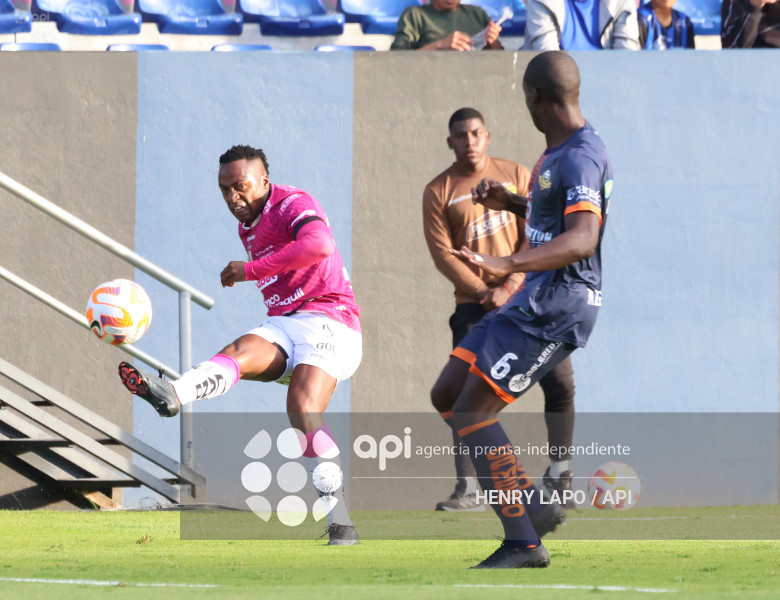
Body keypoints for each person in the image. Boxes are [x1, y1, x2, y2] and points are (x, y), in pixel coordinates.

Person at [118, 145, 362, 546]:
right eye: (224, 189)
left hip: (333, 321)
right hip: (286, 324)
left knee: (301, 408)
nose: (233, 197)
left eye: (240, 186)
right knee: (238, 352)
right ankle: (172, 394)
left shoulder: (292, 203)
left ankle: (341, 519)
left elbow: (320, 246)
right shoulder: (246, 225)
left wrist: (249, 270)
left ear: (265, 181)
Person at [430, 50, 613, 569]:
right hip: (531, 299)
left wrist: (505, 258)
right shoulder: (556, 152)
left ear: (537, 98)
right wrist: (511, 203)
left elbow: (582, 238)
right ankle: (530, 503)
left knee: (471, 411)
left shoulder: (580, 155)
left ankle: (524, 542)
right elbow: (555, 215)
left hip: (555, 306)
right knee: (447, 394)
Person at [423, 107, 577, 513]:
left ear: (487, 136)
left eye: (475, 133)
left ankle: (560, 475)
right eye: (460, 135)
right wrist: (481, 292)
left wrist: (509, 284)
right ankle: (469, 488)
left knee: (560, 383)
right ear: (450, 142)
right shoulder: (438, 190)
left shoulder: (516, 174)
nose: (469, 141)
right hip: (474, 308)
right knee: (458, 395)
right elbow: (444, 256)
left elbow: (539, 232)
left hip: (528, 297)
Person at [523, 0, 640, 50]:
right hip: (557, 92)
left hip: (609, 85)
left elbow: (627, 57)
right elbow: (548, 60)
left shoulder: (622, 2)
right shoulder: (541, 2)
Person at [390, 0, 503, 51]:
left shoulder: (477, 14)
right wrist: (440, 45)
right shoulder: (415, 15)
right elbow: (397, 59)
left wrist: (491, 41)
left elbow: (502, 61)